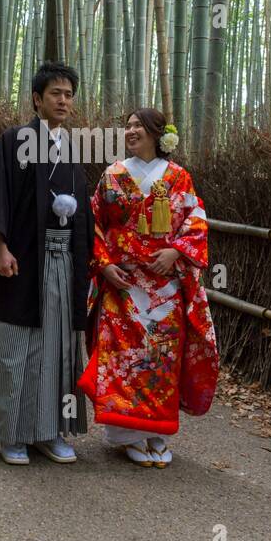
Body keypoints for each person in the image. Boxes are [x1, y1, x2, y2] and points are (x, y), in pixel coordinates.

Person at [77, 109, 219, 467]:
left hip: (164, 291)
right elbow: (92, 223)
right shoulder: (112, 176)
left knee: (160, 361)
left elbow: (196, 220)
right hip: (122, 287)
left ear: (158, 134)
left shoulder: (178, 177)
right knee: (123, 361)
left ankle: (156, 431)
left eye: (138, 125)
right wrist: (105, 266)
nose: (131, 131)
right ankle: (128, 435)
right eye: (127, 126)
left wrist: (175, 251)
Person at [0, 62, 93, 465]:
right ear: (37, 99)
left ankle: (49, 430)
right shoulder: (14, 141)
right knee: (17, 344)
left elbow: (85, 215)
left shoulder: (72, 149)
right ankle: (11, 432)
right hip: (23, 261)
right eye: (55, 93)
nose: (63, 100)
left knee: (58, 347)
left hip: (64, 261)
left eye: (69, 95)